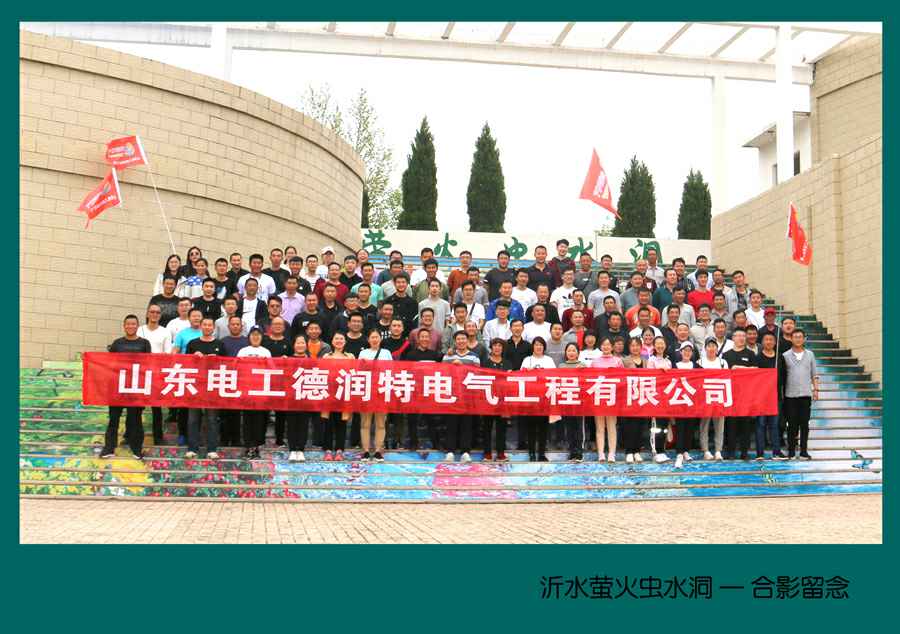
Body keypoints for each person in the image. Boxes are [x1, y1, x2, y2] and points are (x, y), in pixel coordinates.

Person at [99, 315, 151, 459]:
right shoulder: (117, 343)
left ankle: (136, 449)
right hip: (118, 387)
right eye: (128, 324)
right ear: (124, 326)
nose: (130, 326)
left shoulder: (144, 343)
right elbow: (109, 363)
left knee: (135, 420)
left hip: (135, 388)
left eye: (133, 324)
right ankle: (109, 448)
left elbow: (149, 364)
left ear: (137, 326)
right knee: (113, 419)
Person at [184, 317, 226, 460]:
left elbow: (227, 365)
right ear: (201, 326)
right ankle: (192, 448)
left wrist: (217, 359)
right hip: (195, 386)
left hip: (213, 386)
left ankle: (212, 449)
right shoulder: (193, 343)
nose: (207, 327)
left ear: (213, 327)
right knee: (193, 419)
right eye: (205, 324)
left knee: (212, 419)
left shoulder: (220, 344)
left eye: (210, 325)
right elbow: (184, 364)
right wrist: (194, 357)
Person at [442, 331, 482, 462]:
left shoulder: (474, 357)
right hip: (451, 395)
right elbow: (442, 374)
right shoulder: (447, 357)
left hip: (467, 396)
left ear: (467, 340)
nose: (461, 341)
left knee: (467, 425)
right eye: (458, 339)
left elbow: (478, 374)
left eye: (463, 339)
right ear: (455, 341)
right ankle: (450, 451)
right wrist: (452, 366)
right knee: (451, 424)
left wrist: (462, 367)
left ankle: (465, 452)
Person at [402, 328, 444, 450]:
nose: (425, 339)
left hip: (429, 391)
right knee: (412, 419)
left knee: (431, 419)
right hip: (414, 390)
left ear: (430, 339)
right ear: (418, 339)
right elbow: (406, 371)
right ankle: (413, 443)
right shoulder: (411, 354)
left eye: (427, 337)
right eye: (422, 337)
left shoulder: (435, 355)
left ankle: (436, 443)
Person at [780, 328, 819, 460]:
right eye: (795, 337)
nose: (798, 339)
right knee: (792, 424)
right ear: (791, 339)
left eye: (800, 337)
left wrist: (816, 390)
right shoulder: (785, 355)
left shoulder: (810, 355)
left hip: (806, 395)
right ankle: (791, 451)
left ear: (804, 339)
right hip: (790, 395)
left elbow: (814, 374)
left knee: (804, 424)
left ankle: (803, 451)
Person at [137, 304, 172, 445]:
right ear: (147, 314)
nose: (155, 314)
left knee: (156, 408)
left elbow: (167, 354)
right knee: (136, 407)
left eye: (157, 312)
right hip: (140, 373)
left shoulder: (165, 332)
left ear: (160, 315)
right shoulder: (139, 330)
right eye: (152, 312)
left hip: (157, 373)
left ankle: (158, 437)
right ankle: (131, 435)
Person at [357, 329, 393, 462]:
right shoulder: (363, 353)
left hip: (381, 390)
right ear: (368, 339)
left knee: (381, 423)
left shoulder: (386, 353)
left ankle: (378, 451)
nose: (374, 339)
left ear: (380, 339)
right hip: (366, 391)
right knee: (365, 423)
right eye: (372, 337)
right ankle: (365, 451)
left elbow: (391, 370)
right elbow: (358, 370)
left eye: (376, 337)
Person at [722, 328, 757, 460]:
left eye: (743, 335)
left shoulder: (750, 354)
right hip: (731, 394)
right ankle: (730, 451)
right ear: (733, 338)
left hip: (746, 395)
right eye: (738, 335)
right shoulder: (726, 355)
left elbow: (756, 370)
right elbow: (724, 372)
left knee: (745, 425)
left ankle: (744, 452)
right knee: (731, 424)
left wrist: (738, 368)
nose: (741, 338)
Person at [236, 327, 271, 459]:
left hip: (261, 391)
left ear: (262, 337)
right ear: (249, 337)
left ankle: (257, 446)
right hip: (246, 390)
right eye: (253, 334)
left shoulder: (266, 352)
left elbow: (271, 369)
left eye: (258, 335)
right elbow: (236, 368)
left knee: (260, 420)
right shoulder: (243, 351)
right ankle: (248, 446)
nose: (255, 337)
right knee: (247, 420)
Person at [320, 332, 355, 461]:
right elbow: (322, 373)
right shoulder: (326, 357)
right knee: (328, 423)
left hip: (344, 393)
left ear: (345, 342)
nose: (339, 341)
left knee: (342, 423)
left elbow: (354, 373)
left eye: (341, 339)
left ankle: (340, 450)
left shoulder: (350, 357)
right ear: (332, 341)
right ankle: (328, 450)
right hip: (329, 393)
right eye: (336, 339)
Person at [520, 336, 555, 461]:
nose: (538, 347)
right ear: (533, 347)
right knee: (531, 427)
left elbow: (554, 376)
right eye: (536, 345)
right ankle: (531, 453)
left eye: (541, 345)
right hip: (530, 398)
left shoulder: (549, 360)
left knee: (543, 428)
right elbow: (520, 376)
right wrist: (529, 371)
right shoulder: (527, 360)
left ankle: (541, 453)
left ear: (544, 347)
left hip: (545, 398)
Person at [590, 337, 623, 462]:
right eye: (603, 344)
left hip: (612, 397)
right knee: (599, 427)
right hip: (598, 397)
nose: (606, 347)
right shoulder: (595, 362)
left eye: (608, 344)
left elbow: (622, 379)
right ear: (600, 346)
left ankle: (612, 453)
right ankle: (601, 453)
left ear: (612, 346)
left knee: (611, 426)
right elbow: (590, 379)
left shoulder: (618, 361)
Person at [481, 338, 512, 461]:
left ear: (503, 348)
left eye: (500, 346)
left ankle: (500, 453)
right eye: (495, 345)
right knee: (487, 428)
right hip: (488, 400)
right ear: (491, 347)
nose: (497, 348)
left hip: (503, 401)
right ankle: (487, 453)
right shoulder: (485, 363)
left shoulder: (508, 363)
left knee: (501, 428)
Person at [755, 332, 785, 460]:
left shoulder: (779, 358)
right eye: (766, 339)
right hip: (761, 396)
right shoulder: (757, 357)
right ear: (762, 342)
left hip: (775, 396)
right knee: (760, 424)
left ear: (775, 342)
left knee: (774, 425)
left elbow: (784, 376)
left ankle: (776, 452)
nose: (768, 342)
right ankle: (760, 453)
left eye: (771, 340)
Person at [698, 338, 728, 460]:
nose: (711, 348)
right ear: (705, 348)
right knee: (704, 425)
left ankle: (718, 450)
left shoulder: (723, 362)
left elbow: (727, 379)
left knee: (720, 426)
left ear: (717, 348)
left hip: (719, 396)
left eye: (714, 346)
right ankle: (705, 450)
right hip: (705, 397)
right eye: (709, 346)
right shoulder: (700, 362)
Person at [672, 341, 699, 469]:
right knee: (680, 427)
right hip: (679, 401)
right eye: (685, 350)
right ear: (681, 352)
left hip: (692, 402)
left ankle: (686, 450)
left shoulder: (697, 366)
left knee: (690, 427)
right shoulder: (675, 365)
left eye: (689, 351)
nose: (687, 353)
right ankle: (679, 452)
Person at [621, 337, 648, 463]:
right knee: (629, 425)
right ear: (629, 347)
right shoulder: (624, 361)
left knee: (640, 425)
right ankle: (629, 451)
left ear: (641, 347)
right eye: (632, 345)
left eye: (637, 345)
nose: (635, 348)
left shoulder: (646, 361)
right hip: (629, 397)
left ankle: (637, 451)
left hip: (642, 397)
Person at [647, 336, 673, 463]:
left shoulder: (668, 361)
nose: (660, 346)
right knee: (655, 426)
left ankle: (662, 450)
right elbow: (649, 377)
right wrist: (659, 371)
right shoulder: (651, 360)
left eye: (662, 343)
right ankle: (655, 451)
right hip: (655, 397)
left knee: (664, 426)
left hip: (666, 398)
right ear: (654, 346)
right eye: (657, 343)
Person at [558, 342, 585, 461]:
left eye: (574, 350)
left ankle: (579, 451)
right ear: (565, 353)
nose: (571, 353)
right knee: (569, 427)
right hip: (566, 400)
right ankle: (571, 451)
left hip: (579, 401)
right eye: (569, 350)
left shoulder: (582, 365)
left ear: (578, 353)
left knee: (579, 427)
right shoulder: (561, 366)